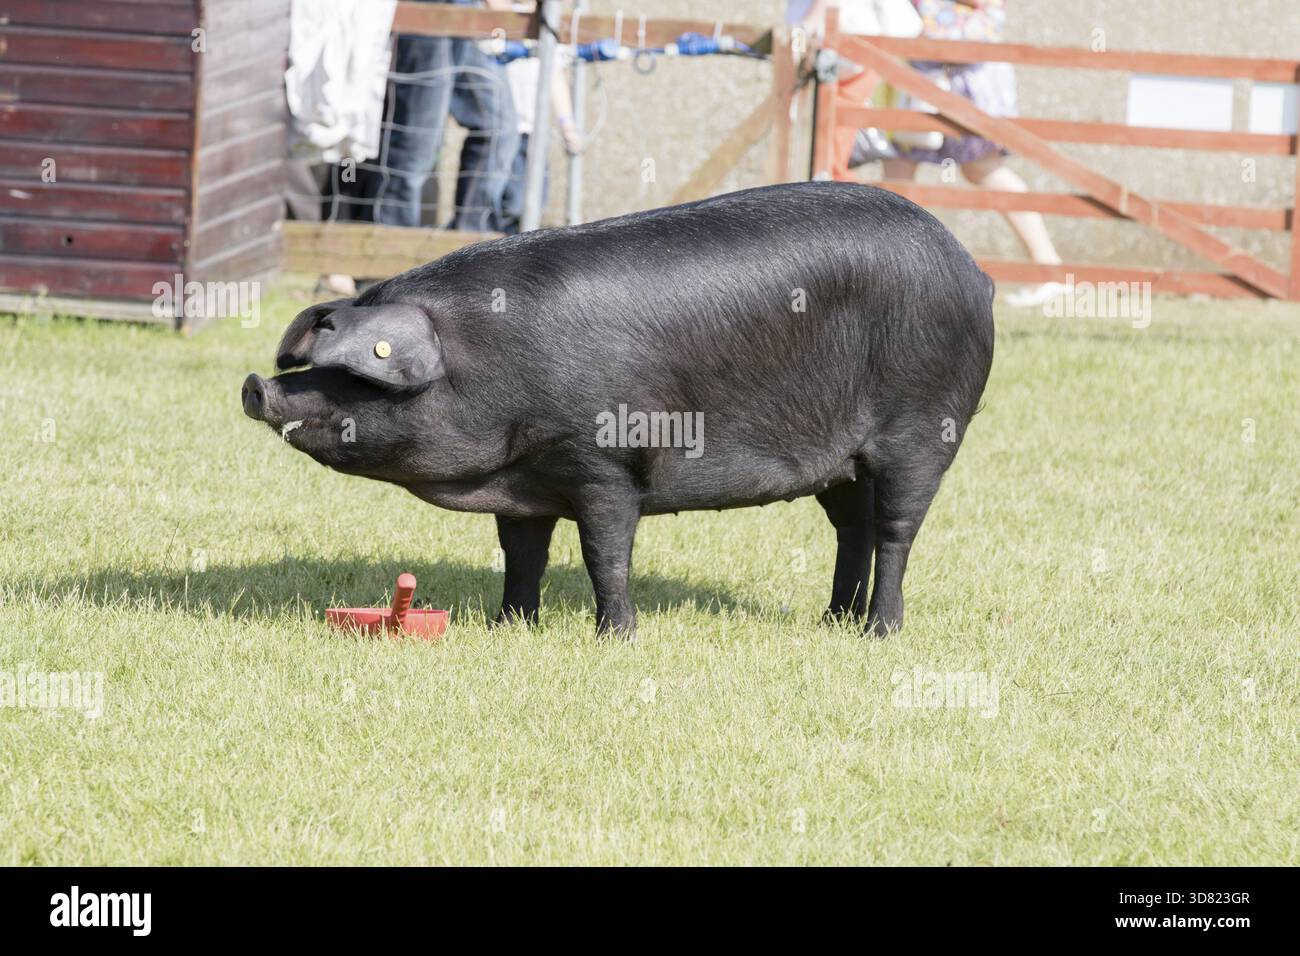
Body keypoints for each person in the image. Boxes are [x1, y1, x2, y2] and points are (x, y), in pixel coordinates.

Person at [882, 1, 1064, 307]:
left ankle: (1050, 269)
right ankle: (891, 274)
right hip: (929, 71)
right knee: (901, 168)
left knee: (978, 168)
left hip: (961, 75)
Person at [357, 0, 519, 231]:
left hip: (467, 13)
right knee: (417, 143)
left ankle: (472, 245)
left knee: (499, 130)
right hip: (425, 12)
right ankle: (389, 245)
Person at [494, 52, 584, 234]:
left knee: (537, 202)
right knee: (513, 203)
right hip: (506, 133)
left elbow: (556, 82)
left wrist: (567, 127)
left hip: (536, 134)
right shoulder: (508, 42)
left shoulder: (548, 41)